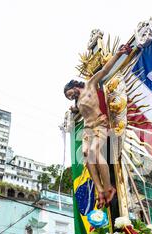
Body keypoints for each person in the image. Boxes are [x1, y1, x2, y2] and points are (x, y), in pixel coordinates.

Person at [64, 44, 132, 209]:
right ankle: (100, 190)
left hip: (99, 124)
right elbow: (78, 110)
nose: (70, 97)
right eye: (68, 97)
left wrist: (118, 54)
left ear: (73, 86)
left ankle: (109, 187)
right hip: (88, 129)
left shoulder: (89, 85)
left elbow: (105, 70)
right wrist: (72, 110)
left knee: (94, 151)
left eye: (69, 94)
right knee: (87, 155)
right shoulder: (78, 103)